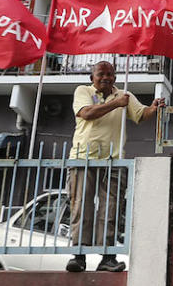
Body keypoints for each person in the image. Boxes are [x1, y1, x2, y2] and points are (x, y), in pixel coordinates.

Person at [67, 60, 164, 272]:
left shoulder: (124, 95)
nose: (105, 78)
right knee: (81, 206)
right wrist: (116, 104)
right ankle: (78, 256)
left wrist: (153, 108)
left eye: (110, 74)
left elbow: (140, 115)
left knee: (110, 208)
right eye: (100, 74)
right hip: (84, 157)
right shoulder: (83, 91)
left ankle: (107, 258)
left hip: (114, 159)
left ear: (115, 77)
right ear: (92, 77)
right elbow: (87, 114)